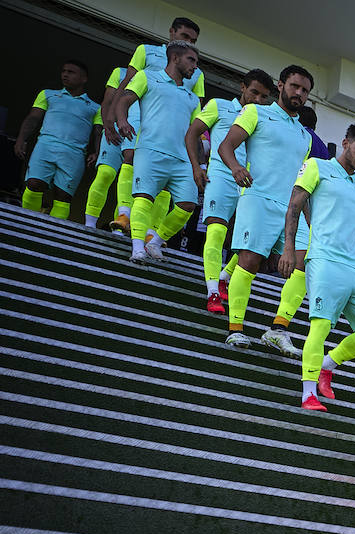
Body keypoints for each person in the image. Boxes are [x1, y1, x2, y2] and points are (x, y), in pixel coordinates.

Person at [285, 124, 355, 410]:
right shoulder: (317, 167)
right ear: (345, 143)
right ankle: (308, 393)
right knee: (320, 327)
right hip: (324, 260)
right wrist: (288, 248)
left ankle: (326, 364)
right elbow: (294, 206)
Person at [216, 65, 315, 353]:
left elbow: (301, 182)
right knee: (248, 261)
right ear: (281, 85)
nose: (299, 93)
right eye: (295, 86)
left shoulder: (305, 135)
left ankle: (278, 329)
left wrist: (309, 217)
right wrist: (235, 168)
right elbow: (226, 146)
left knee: (305, 262)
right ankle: (235, 329)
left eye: (305, 90)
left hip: (289, 210)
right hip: (257, 198)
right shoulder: (255, 112)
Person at [100, 17, 205, 235]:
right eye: (184, 36)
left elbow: (197, 107)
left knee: (167, 179)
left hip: (171, 124)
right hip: (138, 110)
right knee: (130, 155)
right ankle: (124, 214)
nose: (189, 42)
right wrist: (111, 115)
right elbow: (128, 81)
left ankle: (151, 230)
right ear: (171, 32)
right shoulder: (146, 50)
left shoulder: (196, 70)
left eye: (193, 40)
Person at [184, 68, 274, 313]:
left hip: (250, 184)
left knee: (251, 239)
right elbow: (192, 133)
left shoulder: (263, 117)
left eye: (263, 96)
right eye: (254, 92)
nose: (257, 99)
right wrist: (197, 166)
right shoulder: (219, 105)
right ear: (242, 87)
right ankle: (213, 292)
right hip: (220, 178)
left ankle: (225, 276)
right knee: (215, 233)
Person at [16, 60, 102, 223]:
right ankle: (26, 222)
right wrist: (21, 139)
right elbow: (33, 118)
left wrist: (97, 152)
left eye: (71, 72)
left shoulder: (95, 107)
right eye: (64, 71)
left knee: (63, 196)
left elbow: (98, 131)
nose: (65, 74)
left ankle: (51, 231)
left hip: (75, 153)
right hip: (45, 145)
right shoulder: (47, 94)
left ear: (84, 78)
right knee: (34, 183)